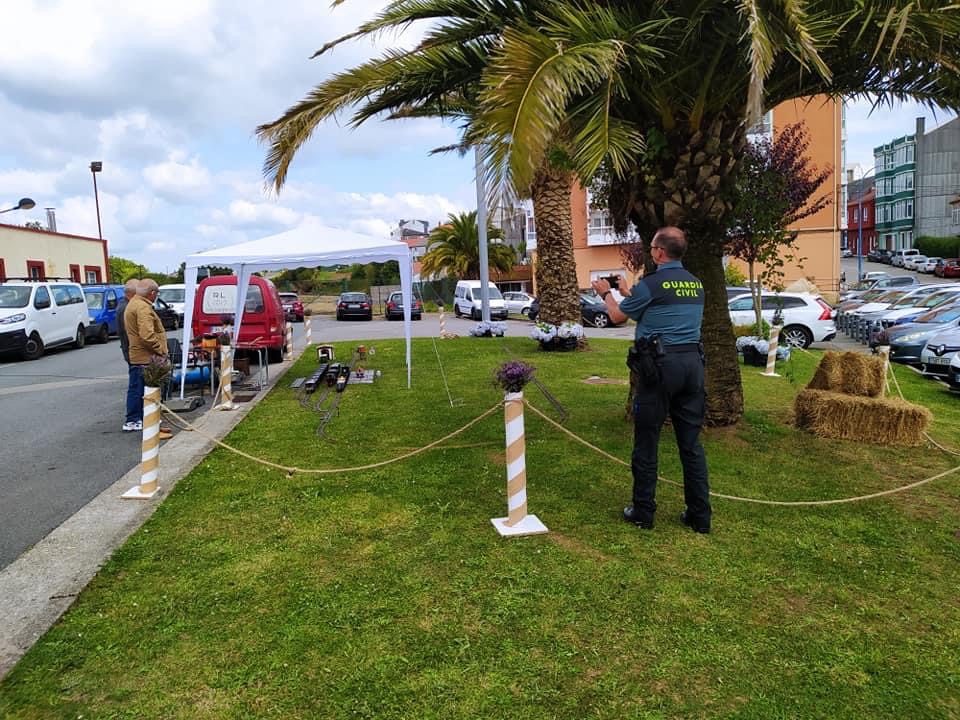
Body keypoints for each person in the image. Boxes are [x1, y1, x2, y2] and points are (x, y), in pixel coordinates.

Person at [591, 226, 711, 534]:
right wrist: (627, 292)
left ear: (658, 252)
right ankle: (700, 516)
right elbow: (653, 308)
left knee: (647, 441)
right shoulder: (696, 284)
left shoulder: (652, 283)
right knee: (691, 445)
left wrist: (606, 293)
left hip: (659, 368)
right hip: (692, 366)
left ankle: (643, 511)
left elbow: (618, 317)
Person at [123, 279, 171, 437]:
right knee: (144, 391)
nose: (157, 296)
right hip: (145, 357)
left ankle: (143, 421)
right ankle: (140, 422)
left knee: (139, 389)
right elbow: (147, 335)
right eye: (157, 293)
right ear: (152, 293)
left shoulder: (135, 303)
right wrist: (161, 351)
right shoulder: (143, 307)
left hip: (140, 356)